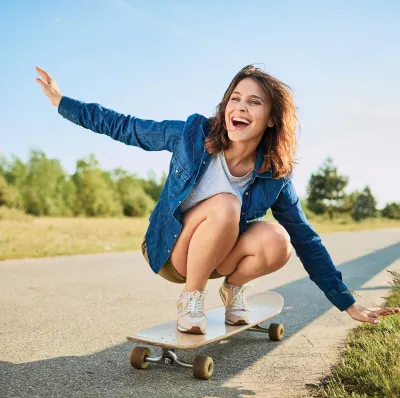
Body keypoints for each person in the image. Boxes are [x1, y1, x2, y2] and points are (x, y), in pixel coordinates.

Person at [35, 64, 400, 335]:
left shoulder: (275, 172)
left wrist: (346, 302)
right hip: (170, 252)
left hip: (219, 256)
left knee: (281, 241)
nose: (239, 108)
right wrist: (62, 102)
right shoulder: (191, 135)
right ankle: (191, 301)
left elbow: (308, 238)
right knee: (227, 203)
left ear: (271, 120)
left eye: (253, 102)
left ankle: (233, 290)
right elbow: (125, 126)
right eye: (234, 99)